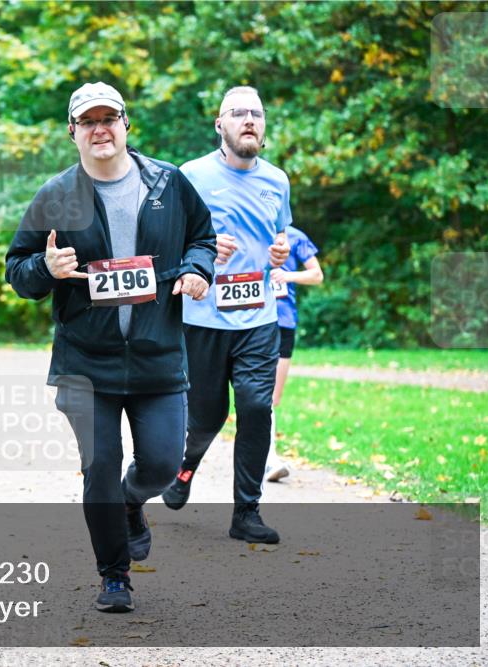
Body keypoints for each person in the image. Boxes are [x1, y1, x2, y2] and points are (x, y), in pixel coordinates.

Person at [5, 82, 216, 613]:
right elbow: (18, 271)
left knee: (164, 465)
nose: (100, 129)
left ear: (127, 125)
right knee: (99, 465)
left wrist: (196, 270)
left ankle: (130, 500)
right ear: (73, 131)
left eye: (110, 119)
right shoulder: (55, 195)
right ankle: (114, 575)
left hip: (158, 356)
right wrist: (43, 270)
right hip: (84, 361)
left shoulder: (170, 183)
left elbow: (203, 239)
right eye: (88, 121)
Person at [161, 86, 291, 545]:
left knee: (257, 408)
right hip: (203, 318)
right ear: (219, 124)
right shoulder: (190, 175)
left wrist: (280, 251)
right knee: (206, 416)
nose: (249, 120)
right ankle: (186, 465)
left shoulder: (277, 180)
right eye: (238, 113)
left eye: (257, 113)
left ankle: (246, 513)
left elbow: (280, 237)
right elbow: (164, 241)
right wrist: (203, 250)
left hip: (258, 315)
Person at [265, 225, 323, 481]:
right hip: (250, 320)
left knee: (272, 398)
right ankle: (269, 459)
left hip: (284, 321)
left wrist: (288, 277)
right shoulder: (251, 228)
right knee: (258, 396)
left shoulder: (297, 237)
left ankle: (266, 456)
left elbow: (317, 275)